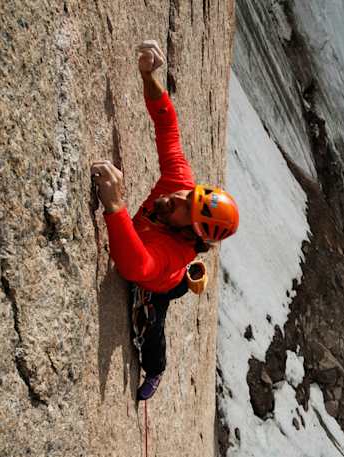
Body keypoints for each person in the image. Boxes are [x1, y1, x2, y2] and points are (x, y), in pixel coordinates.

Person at [91, 40, 239, 401]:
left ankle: (156, 371)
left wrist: (116, 206)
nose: (173, 197)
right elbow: (166, 125)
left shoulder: (174, 252)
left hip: (161, 280)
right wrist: (148, 75)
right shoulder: (181, 185)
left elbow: (135, 267)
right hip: (162, 271)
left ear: (188, 232)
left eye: (179, 208)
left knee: (153, 329)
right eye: (187, 195)